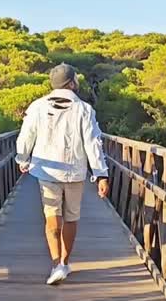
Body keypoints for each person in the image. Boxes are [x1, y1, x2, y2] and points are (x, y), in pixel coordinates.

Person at [15, 63, 111, 285]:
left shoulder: (37, 106)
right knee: (71, 217)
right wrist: (101, 174)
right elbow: (93, 143)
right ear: (71, 83)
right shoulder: (84, 109)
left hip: (46, 170)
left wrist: (22, 159)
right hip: (74, 171)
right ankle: (64, 263)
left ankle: (56, 263)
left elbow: (26, 136)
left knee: (51, 215)